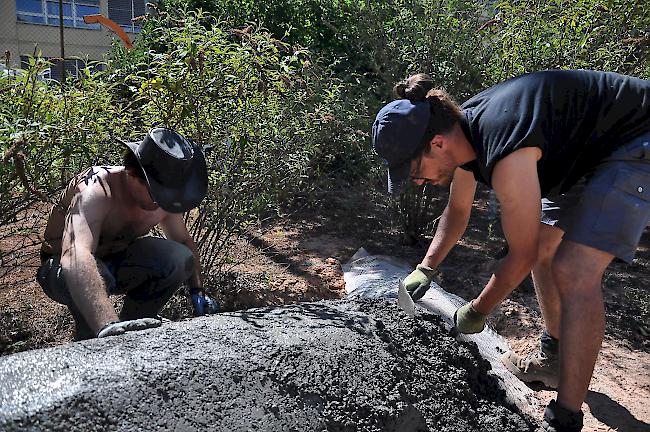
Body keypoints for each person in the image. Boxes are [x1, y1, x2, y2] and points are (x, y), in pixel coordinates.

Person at [372, 70, 650, 432]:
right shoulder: (462, 135)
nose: (417, 181)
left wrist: (475, 312)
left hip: (635, 140)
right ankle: (554, 357)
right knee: (548, 250)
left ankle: (565, 418)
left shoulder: (504, 151)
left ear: (436, 143)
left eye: (413, 170)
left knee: (574, 269)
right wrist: (426, 268)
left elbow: (522, 254)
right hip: (586, 153)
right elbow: (457, 213)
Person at [37, 127, 218, 340]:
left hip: (119, 263)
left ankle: (138, 328)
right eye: (157, 194)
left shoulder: (164, 199)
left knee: (178, 258)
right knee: (95, 325)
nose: (162, 203)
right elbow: (76, 254)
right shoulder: (96, 187)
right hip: (63, 269)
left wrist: (197, 291)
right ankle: (96, 336)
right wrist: (108, 326)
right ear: (132, 173)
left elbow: (183, 241)